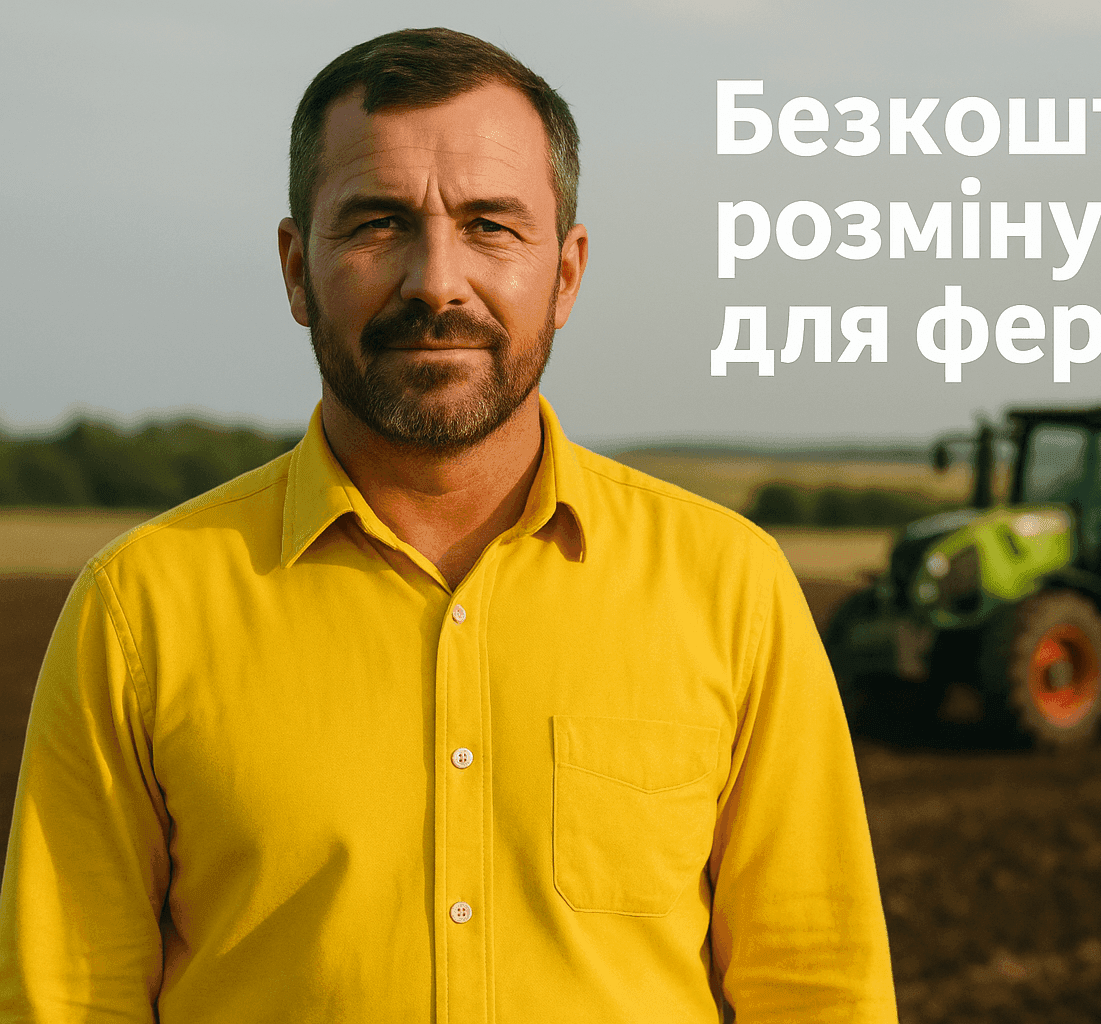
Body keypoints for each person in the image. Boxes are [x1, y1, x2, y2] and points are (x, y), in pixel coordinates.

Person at [0, 27, 897, 1022]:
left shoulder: (732, 589)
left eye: (491, 224)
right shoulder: (139, 610)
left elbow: (818, 989)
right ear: (297, 269)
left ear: (564, 273)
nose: (435, 280)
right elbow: (68, 997)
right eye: (379, 223)